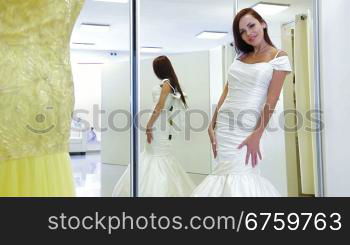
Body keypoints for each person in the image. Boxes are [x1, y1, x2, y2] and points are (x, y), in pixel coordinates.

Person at [192, 8, 292, 197]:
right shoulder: (241, 57)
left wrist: (257, 134)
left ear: (263, 23)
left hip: (247, 128)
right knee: (223, 174)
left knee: (242, 175)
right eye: (242, 32)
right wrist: (212, 123)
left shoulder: (279, 57)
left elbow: (271, 101)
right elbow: (227, 91)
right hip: (224, 127)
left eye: (251, 26)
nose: (248, 34)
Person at [112, 56, 195, 197]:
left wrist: (149, 125)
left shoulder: (167, 84)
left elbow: (159, 106)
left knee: (156, 155)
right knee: (155, 154)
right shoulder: (172, 84)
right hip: (163, 125)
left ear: (159, 69)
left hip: (158, 125)